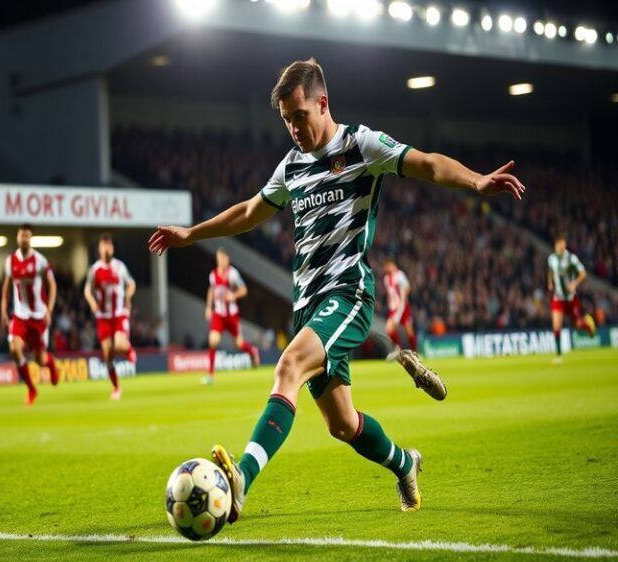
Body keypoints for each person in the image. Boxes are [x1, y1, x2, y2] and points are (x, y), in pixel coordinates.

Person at [149, 58, 524, 522]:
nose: (293, 128)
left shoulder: (361, 144)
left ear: (322, 103)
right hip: (307, 305)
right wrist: (191, 234)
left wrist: (475, 180)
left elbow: (425, 163)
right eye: (286, 120)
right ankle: (406, 463)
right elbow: (249, 211)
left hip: (348, 293)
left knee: (287, 366)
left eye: (299, 116)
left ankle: (240, 478)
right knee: (342, 425)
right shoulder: (291, 165)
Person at [0, 224, 59, 406]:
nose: (24, 239)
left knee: (39, 360)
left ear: (30, 238)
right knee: (14, 350)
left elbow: (52, 285)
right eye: (21, 236)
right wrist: (3, 309)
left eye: (27, 236)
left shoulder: (40, 260)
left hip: (39, 316)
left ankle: (51, 365)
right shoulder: (10, 261)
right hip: (20, 315)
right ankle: (32, 389)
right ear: (17, 238)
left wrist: (49, 310)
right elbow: (7, 287)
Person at [84, 233, 137, 400]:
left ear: (112, 248)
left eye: (109, 245)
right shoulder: (94, 270)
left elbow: (131, 284)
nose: (106, 249)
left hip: (119, 314)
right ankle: (116, 387)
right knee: (107, 355)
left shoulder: (119, 267)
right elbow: (87, 289)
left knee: (120, 345)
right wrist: (92, 301)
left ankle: (128, 350)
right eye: (103, 245)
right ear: (99, 249)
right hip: (103, 317)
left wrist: (128, 297)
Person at [202, 248, 260, 385]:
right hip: (219, 314)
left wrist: (233, 295)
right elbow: (211, 290)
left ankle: (252, 351)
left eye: (222, 258)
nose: (220, 260)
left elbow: (244, 290)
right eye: (218, 258)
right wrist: (208, 307)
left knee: (238, 344)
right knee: (213, 341)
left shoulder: (233, 274)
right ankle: (210, 375)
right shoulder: (213, 274)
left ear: (227, 259)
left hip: (232, 315)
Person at [547, 233, 596, 364]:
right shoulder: (551, 259)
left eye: (563, 243)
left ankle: (588, 325)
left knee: (577, 325)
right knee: (556, 326)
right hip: (558, 297)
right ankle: (558, 356)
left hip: (570, 298)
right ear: (556, 245)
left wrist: (575, 283)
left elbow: (583, 273)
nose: (561, 246)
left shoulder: (571, 259)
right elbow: (550, 271)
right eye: (559, 244)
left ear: (565, 244)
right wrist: (550, 282)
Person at [383, 259, 417, 358]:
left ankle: (415, 352)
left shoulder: (399, 275)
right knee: (389, 329)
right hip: (393, 308)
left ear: (392, 265)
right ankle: (398, 350)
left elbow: (406, 288)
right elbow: (389, 294)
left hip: (402, 306)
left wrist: (401, 305)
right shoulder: (386, 278)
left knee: (409, 330)